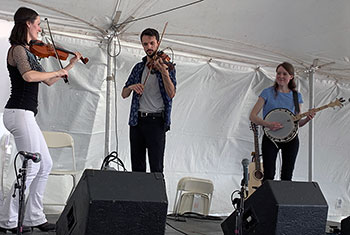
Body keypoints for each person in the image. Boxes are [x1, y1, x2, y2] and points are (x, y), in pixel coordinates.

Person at [0, 7, 81, 233]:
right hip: (18, 112)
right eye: (38, 24)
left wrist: (67, 68)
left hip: (26, 114)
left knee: (45, 164)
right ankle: (8, 219)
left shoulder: (30, 51)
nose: (40, 28)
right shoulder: (17, 50)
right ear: (27, 23)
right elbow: (29, 76)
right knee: (32, 168)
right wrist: (56, 72)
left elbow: (47, 81)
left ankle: (35, 217)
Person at [122, 28, 176, 173]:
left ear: (158, 43)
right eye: (145, 44)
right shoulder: (139, 68)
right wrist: (132, 87)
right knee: (137, 167)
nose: (149, 47)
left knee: (156, 167)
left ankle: (155, 196)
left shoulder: (167, 66)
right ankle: (138, 196)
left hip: (156, 122)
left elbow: (171, 93)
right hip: (137, 121)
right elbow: (124, 93)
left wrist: (164, 72)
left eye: (152, 43)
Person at [249, 62, 314, 181]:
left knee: (287, 176)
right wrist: (268, 124)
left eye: (285, 73)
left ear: (291, 76)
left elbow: (296, 124)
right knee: (269, 174)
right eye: (278, 73)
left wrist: (307, 120)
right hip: (270, 138)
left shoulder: (296, 96)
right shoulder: (267, 93)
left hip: (291, 140)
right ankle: (268, 199)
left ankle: (284, 200)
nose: (281, 76)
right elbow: (253, 116)